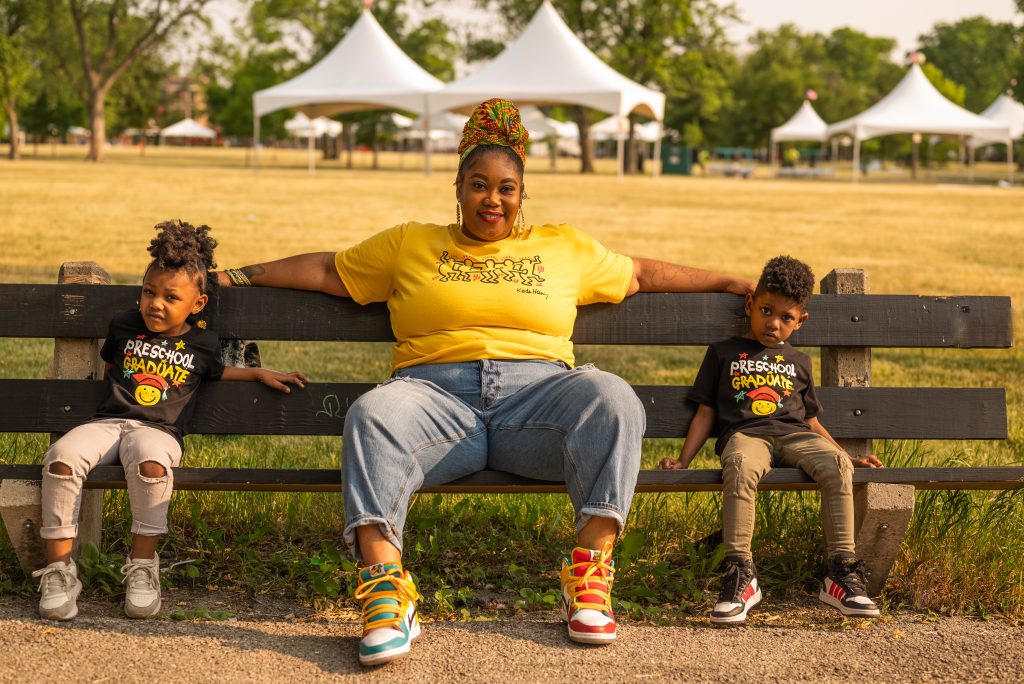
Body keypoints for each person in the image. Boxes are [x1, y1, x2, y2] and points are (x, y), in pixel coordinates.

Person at [217, 98, 752, 666]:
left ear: (521, 195)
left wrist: (727, 279)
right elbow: (328, 270)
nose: (492, 199)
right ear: (458, 188)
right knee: (371, 415)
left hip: (539, 407)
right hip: (432, 402)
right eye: (479, 185)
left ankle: (589, 579)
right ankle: (386, 595)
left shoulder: (562, 246)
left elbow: (641, 273)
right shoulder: (410, 243)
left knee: (613, 396)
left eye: (506, 188)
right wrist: (235, 275)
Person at [33, 220, 307, 622]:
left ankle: (143, 568)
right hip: (108, 423)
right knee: (61, 457)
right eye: (148, 292)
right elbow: (111, 365)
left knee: (150, 464)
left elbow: (217, 373)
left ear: (196, 304)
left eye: (169, 296)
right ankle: (60, 572)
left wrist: (259, 373)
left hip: (159, 432)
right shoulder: (124, 325)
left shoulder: (203, 343)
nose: (155, 303)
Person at [659, 255, 884, 625]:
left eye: (786, 318)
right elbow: (705, 413)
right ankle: (739, 575)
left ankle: (840, 574)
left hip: (795, 436)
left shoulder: (799, 361)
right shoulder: (723, 354)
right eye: (766, 310)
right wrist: (683, 460)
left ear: (801, 321)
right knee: (741, 464)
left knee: (837, 465)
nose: (774, 323)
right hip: (748, 436)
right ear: (750, 304)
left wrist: (844, 454)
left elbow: (810, 420)